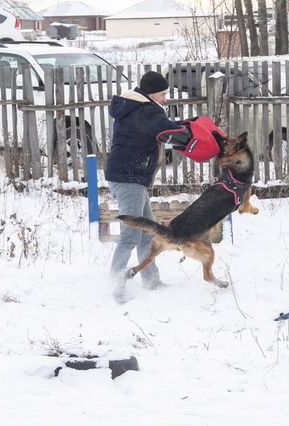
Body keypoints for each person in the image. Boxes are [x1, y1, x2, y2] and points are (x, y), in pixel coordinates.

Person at [105, 70, 185, 303]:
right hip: (128, 178)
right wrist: (190, 133)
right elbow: (166, 129)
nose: (166, 98)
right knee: (131, 235)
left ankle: (151, 281)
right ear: (151, 95)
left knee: (147, 233)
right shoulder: (145, 110)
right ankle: (116, 285)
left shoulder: (136, 107)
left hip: (131, 178)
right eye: (162, 94)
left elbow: (164, 125)